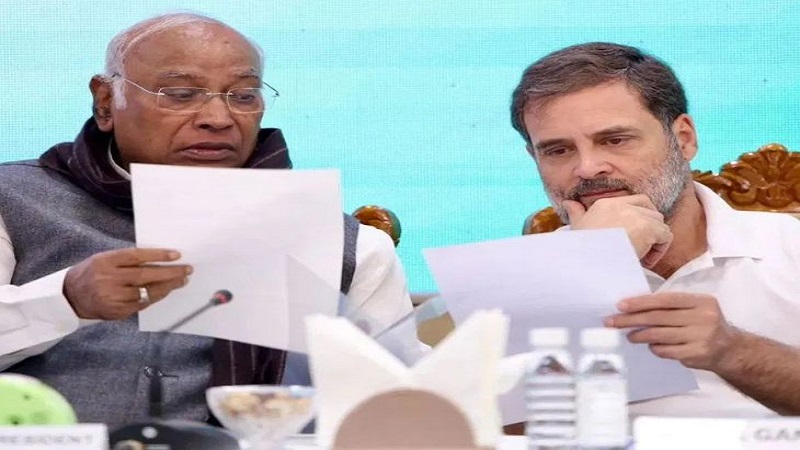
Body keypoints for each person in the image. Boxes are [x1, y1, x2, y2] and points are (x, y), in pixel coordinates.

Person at [0, 13, 416, 429]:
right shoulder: (13, 198)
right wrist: (66, 299)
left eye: (244, 96)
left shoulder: (348, 245)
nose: (218, 118)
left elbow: (398, 405)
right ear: (106, 101)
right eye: (181, 94)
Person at [510, 42, 800, 417]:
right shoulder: (521, 279)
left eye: (615, 140)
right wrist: (593, 264)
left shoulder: (790, 245)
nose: (588, 168)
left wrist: (733, 350)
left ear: (684, 138)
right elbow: (500, 428)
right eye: (558, 150)